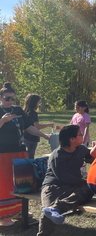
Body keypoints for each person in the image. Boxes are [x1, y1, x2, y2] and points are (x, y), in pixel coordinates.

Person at [0, 83, 50, 226]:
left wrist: (46, 137)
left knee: (22, 182)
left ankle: (20, 211)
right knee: (4, 183)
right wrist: (3, 121)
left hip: (20, 151)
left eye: (13, 99)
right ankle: (4, 216)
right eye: (7, 98)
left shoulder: (18, 110)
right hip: (2, 153)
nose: (10, 102)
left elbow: (29, 128)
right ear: (1, 97)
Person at [38, 125, 94, 235]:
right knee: (48, 212)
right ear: (72, 139)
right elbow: (64, 178)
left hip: (72, 186)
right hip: (52, 187)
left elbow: (91, 158)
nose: (83, 136)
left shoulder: (81, 149)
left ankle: (56, 208)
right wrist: (83, 182)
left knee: (90, 188)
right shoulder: (57, 156)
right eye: (80, 134)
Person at [23, 94, 54, 159]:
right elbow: (37, 126)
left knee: (25, 157)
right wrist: (48, 125)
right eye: (38, 102)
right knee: (30, 158)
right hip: (31, 139)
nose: (39, 104)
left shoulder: (24, 111)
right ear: (34, 102)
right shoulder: (33, 113)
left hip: (25, 137)